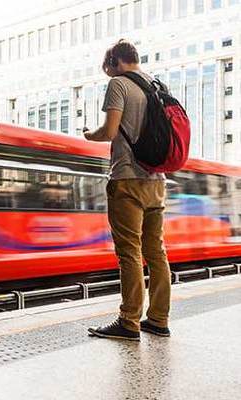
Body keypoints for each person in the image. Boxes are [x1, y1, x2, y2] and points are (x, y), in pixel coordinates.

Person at [85, 39, 171, 341]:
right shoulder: (156, 84)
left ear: (115, 62)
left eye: (107, 68)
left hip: (127, 179)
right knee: (156, 252)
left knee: (129, 253)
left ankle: (129, 321)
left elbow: (109, 131)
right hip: (157, 181)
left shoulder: (119, 84)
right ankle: (159, 319)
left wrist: (88, 134)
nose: (108, 74)